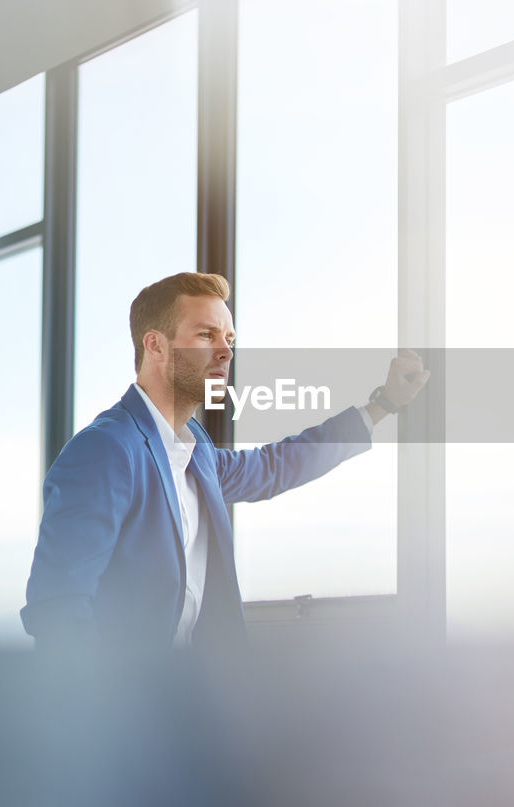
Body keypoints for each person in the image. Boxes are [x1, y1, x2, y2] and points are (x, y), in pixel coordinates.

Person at [21, 272, 428, 652]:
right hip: (129, 711)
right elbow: (57, 605)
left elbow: (275, 465)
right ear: (155, 345)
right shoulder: (106, 449)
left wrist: (383, 405)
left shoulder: (194, 447)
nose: (225, 351)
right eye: (206, 335)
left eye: (229, 338)